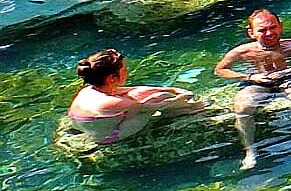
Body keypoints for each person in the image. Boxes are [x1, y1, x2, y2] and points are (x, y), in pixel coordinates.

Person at [215, 9, 291, 168]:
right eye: (262, 30)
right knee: (242, 107)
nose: (269, 33)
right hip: (256, 81)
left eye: (273, 27)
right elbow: (220, 70)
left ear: (280, 27)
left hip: (290, 77)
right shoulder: (243, 51)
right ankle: (250, 149)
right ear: (251, 33)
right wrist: (250, 77)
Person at [66, 49, 204, 146]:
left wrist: (171, 88)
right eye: (124, 70)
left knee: (141, 94)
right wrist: (180, 97)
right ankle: (191, 108)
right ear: (111, 78)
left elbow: (134, 90)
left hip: (91, 127)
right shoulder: (114, 102)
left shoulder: (89, 90)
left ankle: (180, 105)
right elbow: (153, 106)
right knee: (158, 98)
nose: (127, 72)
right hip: (109, 136)